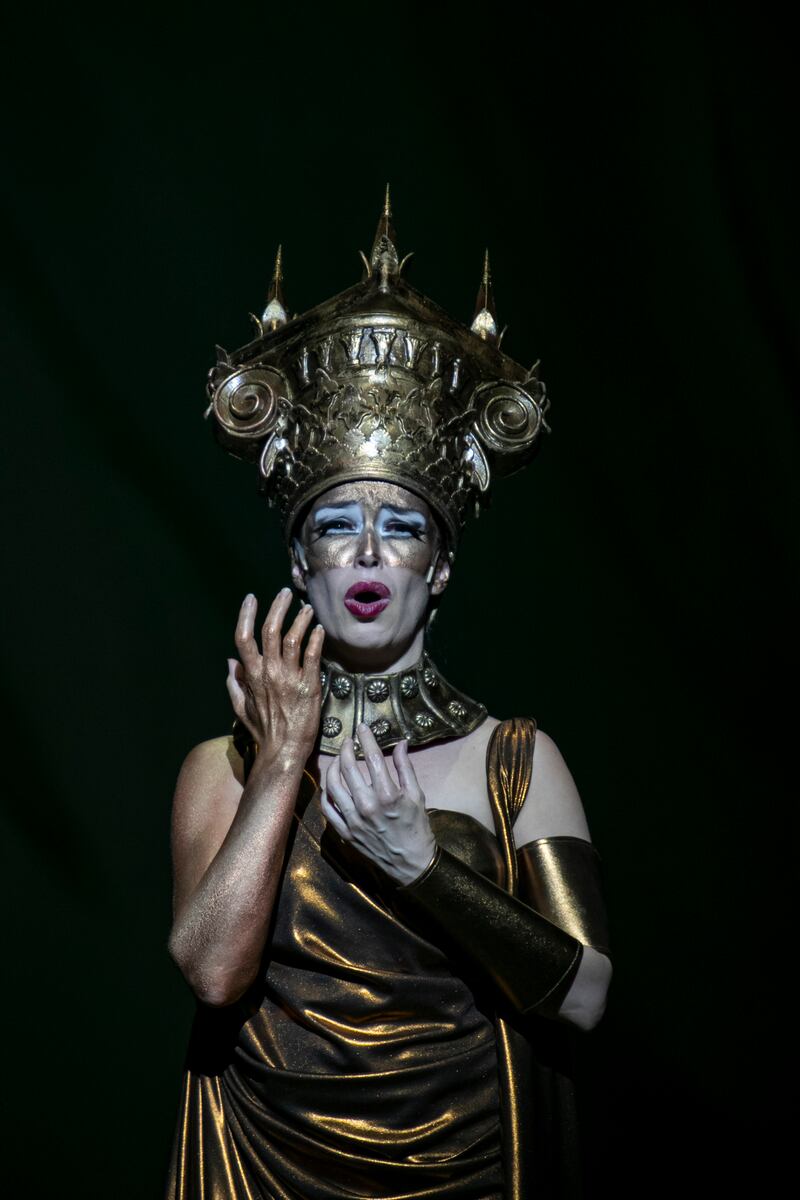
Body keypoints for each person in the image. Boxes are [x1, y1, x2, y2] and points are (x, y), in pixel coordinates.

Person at [164, 189, 612, 1200]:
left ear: (439, 566)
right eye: (335, 524)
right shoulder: (223, 765)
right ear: (299, 556)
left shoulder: (514, 760)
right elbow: (210, 974)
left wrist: (425, 868)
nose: (367, 551)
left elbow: (584, 997)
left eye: (402, 526)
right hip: (266, 1166)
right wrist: (281, 760)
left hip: (471, 1163)